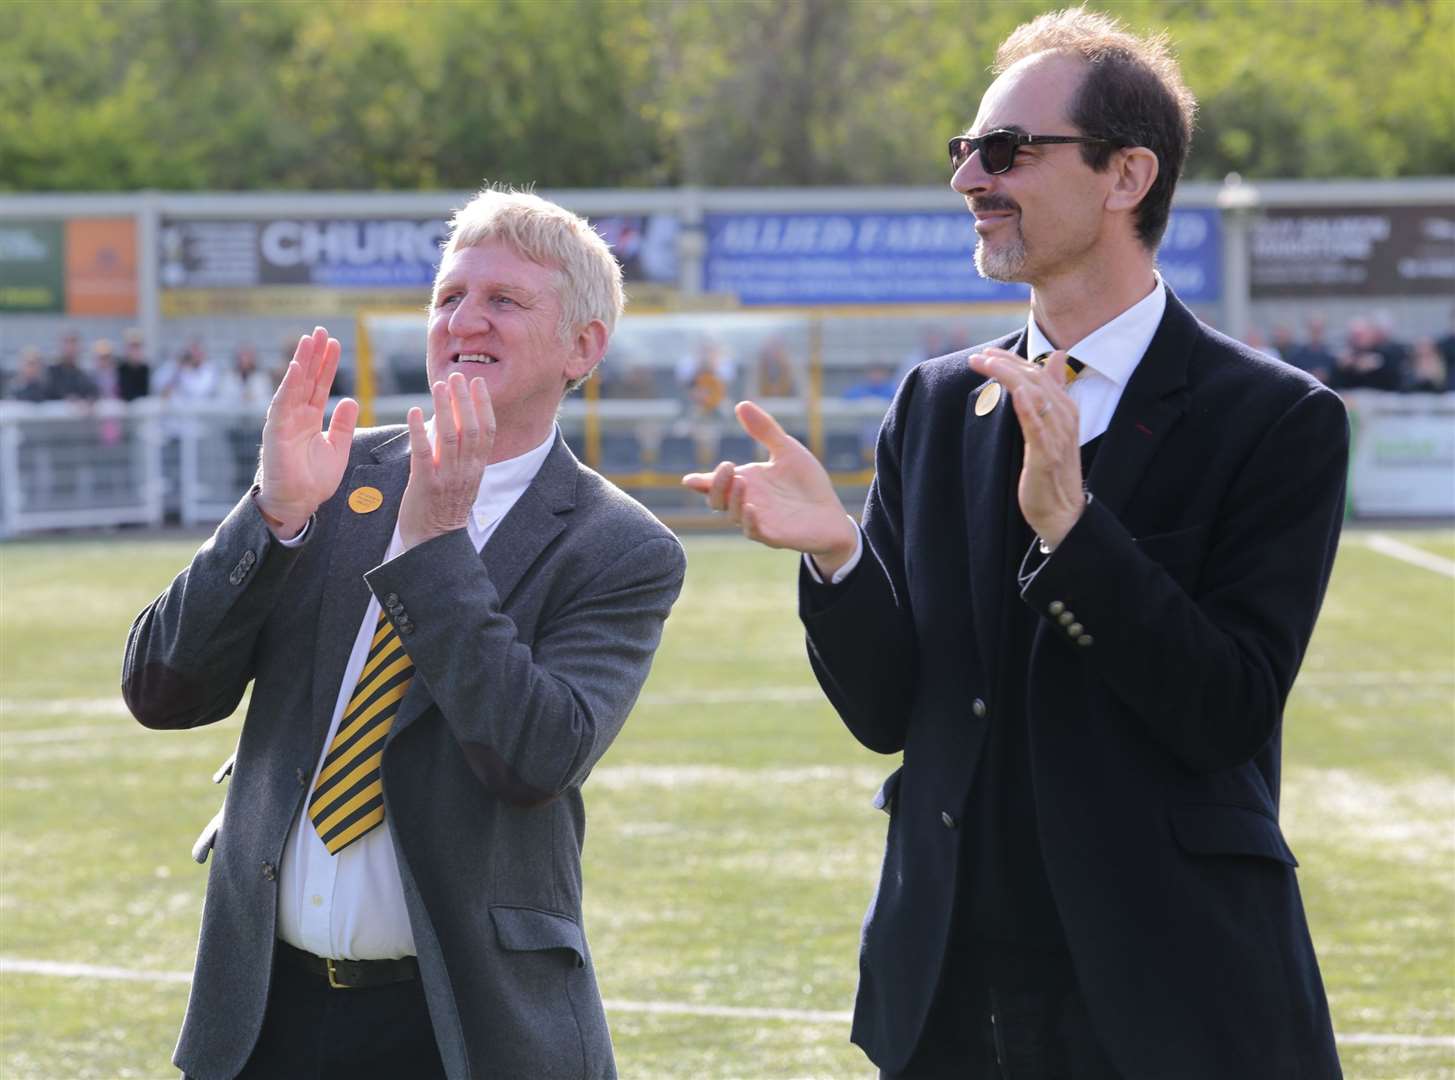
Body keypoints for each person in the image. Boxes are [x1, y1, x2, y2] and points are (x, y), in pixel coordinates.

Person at [685, 9, 1344, 1079]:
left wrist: (1073, 534)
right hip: (946, 996)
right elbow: (888, 714)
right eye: (965, 151)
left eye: (1005, 151)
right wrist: (838, 559)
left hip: (1166, 1000)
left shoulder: (1274, 418)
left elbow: (1224, 711)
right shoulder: (939, 401)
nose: (968, 181)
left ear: (1127, 176)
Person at [123, 186, 687, 1080]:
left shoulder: (618, 546)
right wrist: (271, 518)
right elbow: (162, 691)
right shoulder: (330, 473)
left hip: (464, 1027)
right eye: (448, 297)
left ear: (584, 346)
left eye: (504, 300)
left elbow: (534, 757)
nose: (466, 319)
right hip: (261, 1016)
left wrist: (433, 544)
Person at [117, 328, 152, 401]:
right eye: (132, 347)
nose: (135, 351)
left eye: (137, 347)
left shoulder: (145, 369)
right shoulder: (119, 368)